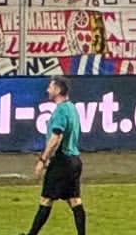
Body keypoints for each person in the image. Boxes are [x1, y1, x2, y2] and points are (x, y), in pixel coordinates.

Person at [22, 76, 85, 235]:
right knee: (74, 200)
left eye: (50, 87)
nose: (47, 90)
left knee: (46, 199)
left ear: (57, 90)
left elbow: (56, 137)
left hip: (62, 161)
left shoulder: (61, 110)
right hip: (75, 160)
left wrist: (43, 159)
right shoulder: (72, 108)